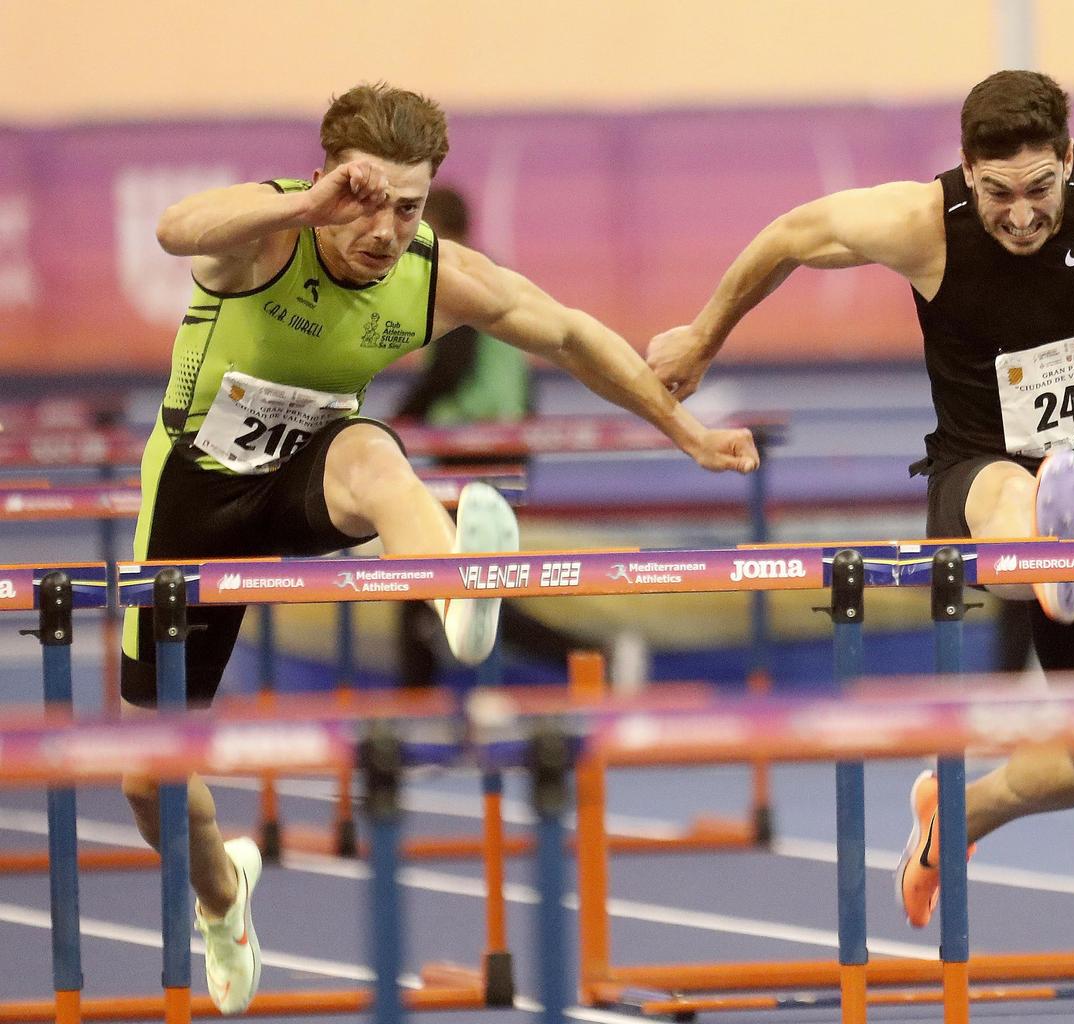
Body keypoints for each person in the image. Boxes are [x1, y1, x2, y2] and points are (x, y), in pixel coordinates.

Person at [646, 70, 1074, 928]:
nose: (1021, 214)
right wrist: (704, 337)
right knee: (1012, 498)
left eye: (1040, 190)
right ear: (967, 172)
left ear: (1067, 161)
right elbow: (794, 233)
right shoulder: (922, 223)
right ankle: (1044, 547)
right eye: (998, 192)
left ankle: (960, 811)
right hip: (979, 472)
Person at [126, 82, 759, 1014]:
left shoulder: (430, 272)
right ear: (326, 181)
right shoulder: (265, 238)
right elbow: (177, 228)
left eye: (408, 205)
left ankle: (459, 597)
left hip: (314, 475)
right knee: (148, 779)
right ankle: (223, 897)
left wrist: (687, 431)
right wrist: (310, 206)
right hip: (192, 504)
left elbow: (574, 335)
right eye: (364, 199)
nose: (383, 228)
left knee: (377, 452)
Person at [391, 185, 576, 686]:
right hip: (496, 447)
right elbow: (522, 375)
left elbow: (448, 370)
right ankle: (424, 703)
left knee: (438, 580)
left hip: (475, 452)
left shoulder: (452, 277)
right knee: (443, 582)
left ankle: (587, 657)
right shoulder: (487, 275)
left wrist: (388, 426)